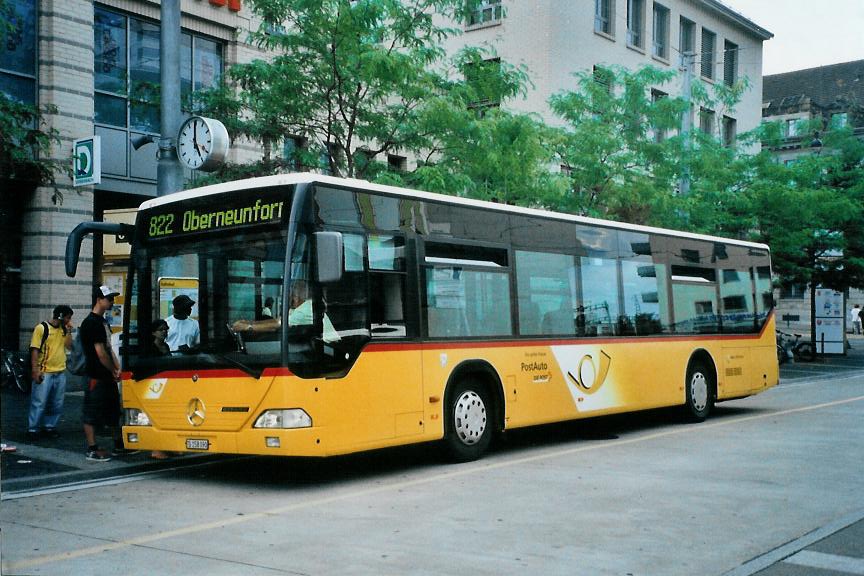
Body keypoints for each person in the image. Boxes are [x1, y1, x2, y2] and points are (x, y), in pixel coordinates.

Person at [80, 285, 127, 461]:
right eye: (109, 299)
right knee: (91, 412)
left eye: (113, 299)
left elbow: (109, 348)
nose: (112, 302)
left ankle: (118, 444)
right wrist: (114, 369)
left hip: (106, 375)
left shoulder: (103, 322)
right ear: (98, 299)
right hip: (95, 375)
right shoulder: (91, 323)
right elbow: (100, 353)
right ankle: (92, 448)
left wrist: (116, 368)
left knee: (113, 411)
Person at [27, 305, 74, 441]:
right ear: (60, 316)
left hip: (60, 371)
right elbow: (34, 349)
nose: (69, 320)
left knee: (56, 402)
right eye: (68, 317)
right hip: (45, 371)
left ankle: (50, 426)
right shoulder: (42, 328)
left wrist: (69, 331)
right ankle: (33, 428)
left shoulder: (63, 329)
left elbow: (69, 346)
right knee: (39, 402)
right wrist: (35, 369)